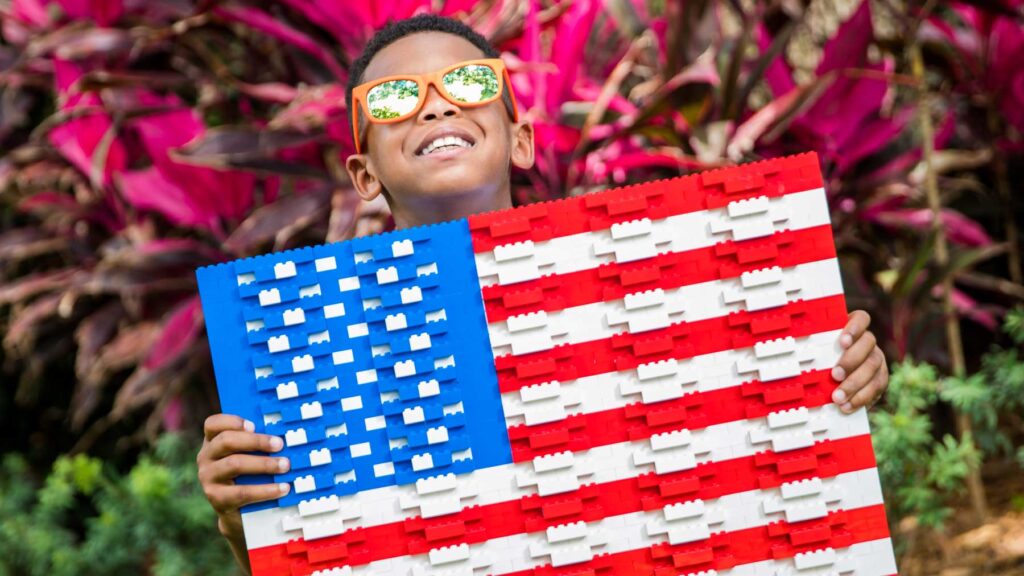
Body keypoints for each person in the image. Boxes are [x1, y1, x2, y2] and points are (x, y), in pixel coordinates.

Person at [197, 14, 891, 573]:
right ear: (363, 174)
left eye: (468, 83)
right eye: (395, 99)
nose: (436, 105)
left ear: (521, 140)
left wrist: (836, 373)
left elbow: (767, 477)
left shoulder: (662, 273)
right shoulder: (318, 351)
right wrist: (247, 524)